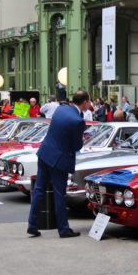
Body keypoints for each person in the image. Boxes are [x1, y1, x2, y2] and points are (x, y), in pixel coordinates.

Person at [27, 90, 91, 238]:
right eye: (89, 101)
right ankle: (63, 228)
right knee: (59, 194)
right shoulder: (78, 121)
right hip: (59, 159)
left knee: (39, 190)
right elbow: (76, 146)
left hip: (45, 152)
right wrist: (82, 139)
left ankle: (33, 224)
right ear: (85, 102)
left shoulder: (61, 109)